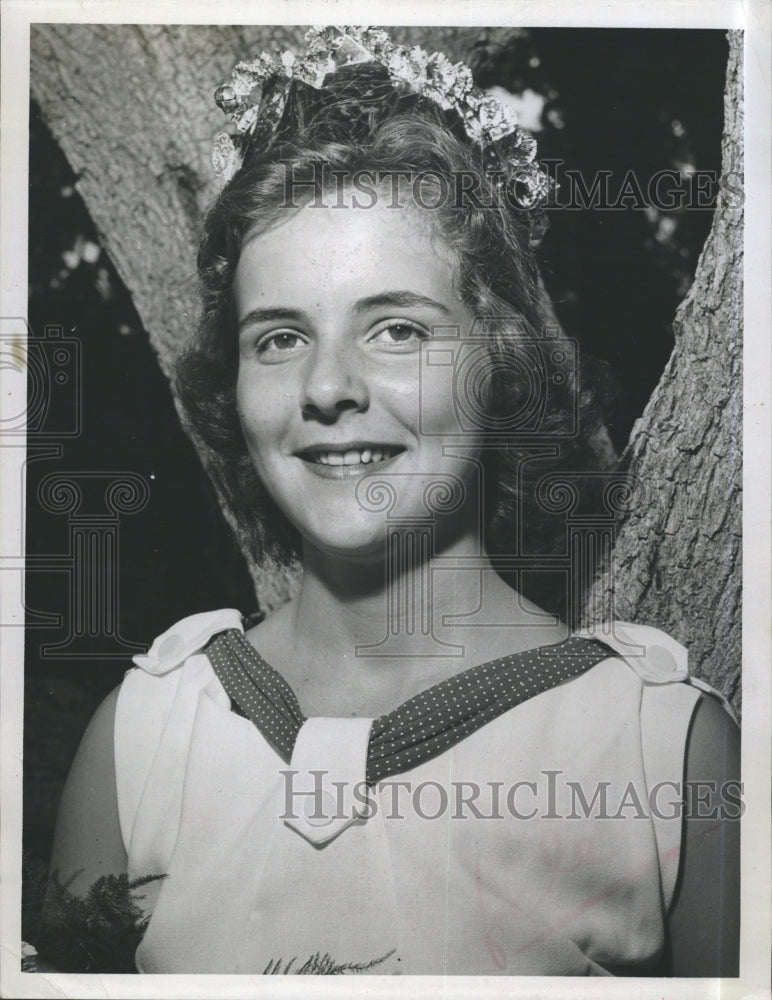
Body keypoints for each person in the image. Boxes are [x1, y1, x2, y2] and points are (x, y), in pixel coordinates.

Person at [47, 26, 739, 976]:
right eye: (280, 337)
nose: (328, 387)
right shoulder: (141, 739)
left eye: (397, 328)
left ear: (501, 358)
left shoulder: (664, 751)